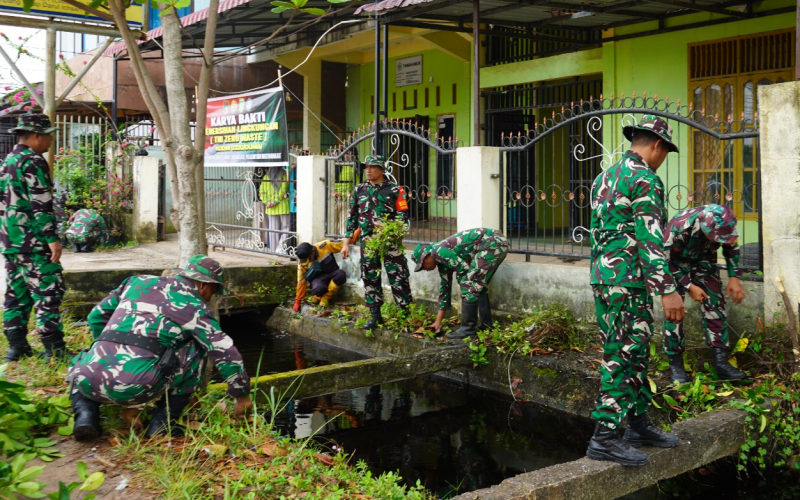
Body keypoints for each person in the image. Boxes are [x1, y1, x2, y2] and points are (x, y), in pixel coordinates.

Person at [587, 115, 686, 467]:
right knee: (622, 354)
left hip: (605, 279)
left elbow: (600, 232)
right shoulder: (645, 178)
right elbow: (651, 240)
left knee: (636, 352)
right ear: (657, 145)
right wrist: (668, 290)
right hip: (627, 281)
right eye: (665, 151)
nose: (663, 158)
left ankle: (638, 425)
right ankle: (605, 437)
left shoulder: (605, 176)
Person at [67, 255, 253, 441]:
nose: (211, 297)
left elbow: (95, 317)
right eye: (213, 291)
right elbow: (225, 351)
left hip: (86, 379)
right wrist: (242, 396)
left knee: (87, 357)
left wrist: (107, 352)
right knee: (197, 347)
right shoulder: (194, 305)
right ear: (203, 285)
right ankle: (161, 425)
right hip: (137, 386)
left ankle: (85, 416)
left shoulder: (136, 282)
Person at [0, 113, 70, 362]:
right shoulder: (33, 161)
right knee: (48, 291)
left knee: (16, 294)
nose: (51, 141)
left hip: (11, 242)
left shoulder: (8, 160)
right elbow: (41, 203)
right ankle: (55, 350)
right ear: (36, 135)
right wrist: (52, 238)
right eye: (48, 136)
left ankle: (17, 347)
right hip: (34, 242)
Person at [663, 204, 747, 383]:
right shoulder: (679, 228)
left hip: (703, 261)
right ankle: (676, 365)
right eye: (716, 237)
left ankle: (721, 363)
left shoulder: (725, 223)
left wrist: (734, 277)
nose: (720, 240)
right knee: (675, 313)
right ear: (704, 226)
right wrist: (689, 285)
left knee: (715, 303)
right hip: (675, 265)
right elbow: (664, 261)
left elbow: (731, 245)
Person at [341, 155, 412, 329]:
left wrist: (393, 231)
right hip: (368, 242)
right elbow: (352, 218)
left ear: (381, 169)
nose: (368, 170)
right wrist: (346, 243)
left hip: (390, 241)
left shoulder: (395, 190)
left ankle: (405, 313)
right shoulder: (360, 189)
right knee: (370, 276)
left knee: (398, 276)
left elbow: (403, 217)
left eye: (372, 167)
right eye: (366, 167)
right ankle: (375, 315)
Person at [411, 228, 508, 339]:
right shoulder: (440, 261)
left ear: (426, 257)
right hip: (494, 243)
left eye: (422, 266)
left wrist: (463, 283)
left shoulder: (437, 252)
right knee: (479, 286)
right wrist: (438, 322)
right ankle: (486, 326)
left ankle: (467, 329)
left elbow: (463, 268)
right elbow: (445, 290)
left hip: (492, 243)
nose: (424, 269)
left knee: (469, 283)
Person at [292, 239, 348, 310]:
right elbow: (301, 282)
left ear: (312, 251)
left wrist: (357, 232)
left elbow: (344, 243)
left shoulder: (324, 246)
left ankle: (325, 298)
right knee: (317, 288)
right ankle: (317, 296)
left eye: (308, 258)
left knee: (341, 274)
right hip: (319, 280)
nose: (307, 261)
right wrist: (297, 302)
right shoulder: (302, 264)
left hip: (333, 273)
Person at [259, 166, 291, 253]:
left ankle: (274, 250)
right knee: (286, 227)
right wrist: (276, 201)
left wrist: (268, 202)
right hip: (282, 205)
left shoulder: (266, 177)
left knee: (273, 230)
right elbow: (284, 189)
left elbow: (261, 192)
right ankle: (280, 248)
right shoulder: (284, 174)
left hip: (270, 208)